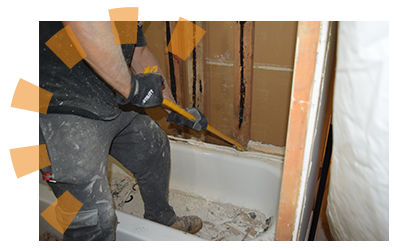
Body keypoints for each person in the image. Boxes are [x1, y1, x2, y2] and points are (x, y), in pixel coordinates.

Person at [39, 21, 205, 241]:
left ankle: (161, 219)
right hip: (57, 104)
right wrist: (130, 88)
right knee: (93, 220)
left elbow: (139, 52)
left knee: (154, 148)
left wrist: (173, 107)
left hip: (108, 95)